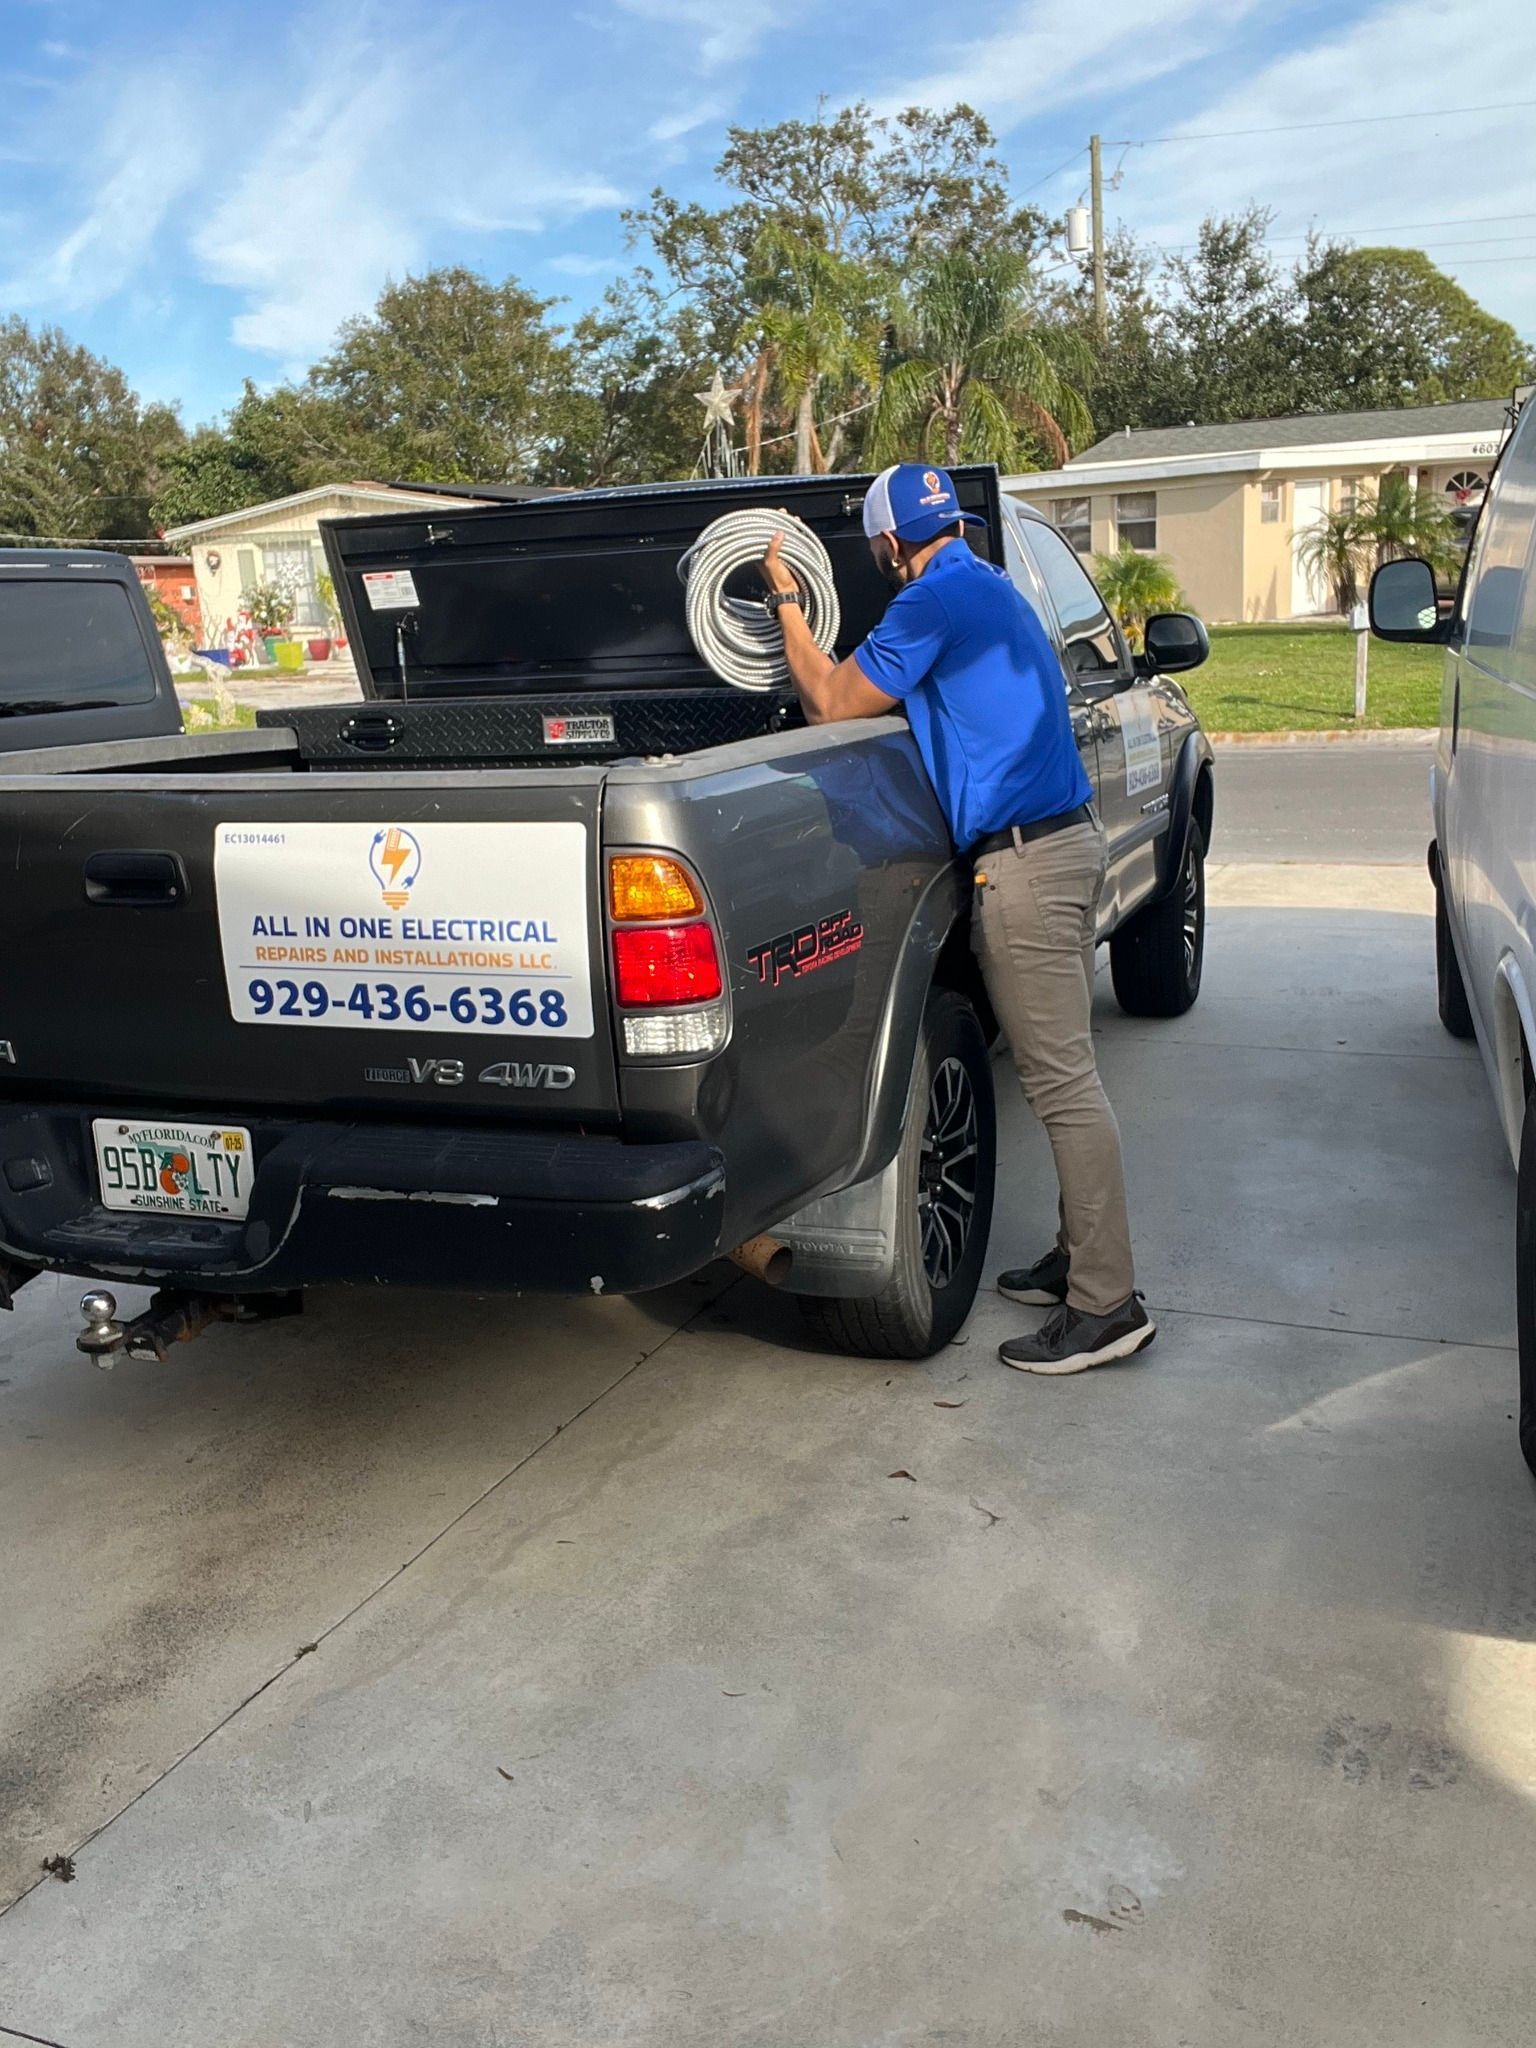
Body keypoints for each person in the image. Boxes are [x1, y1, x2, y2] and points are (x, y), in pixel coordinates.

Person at [757, 461, 1152, 1375]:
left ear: (892, 544)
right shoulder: (989, 587)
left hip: (1026, 860)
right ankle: (1079, 1260)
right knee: (1069, 1071)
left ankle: (1108, 1304)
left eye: (876, 545)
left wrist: (784, 601)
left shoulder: (929, 604)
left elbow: (829, 702)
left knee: (1060, 1083)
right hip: (1060, 841)